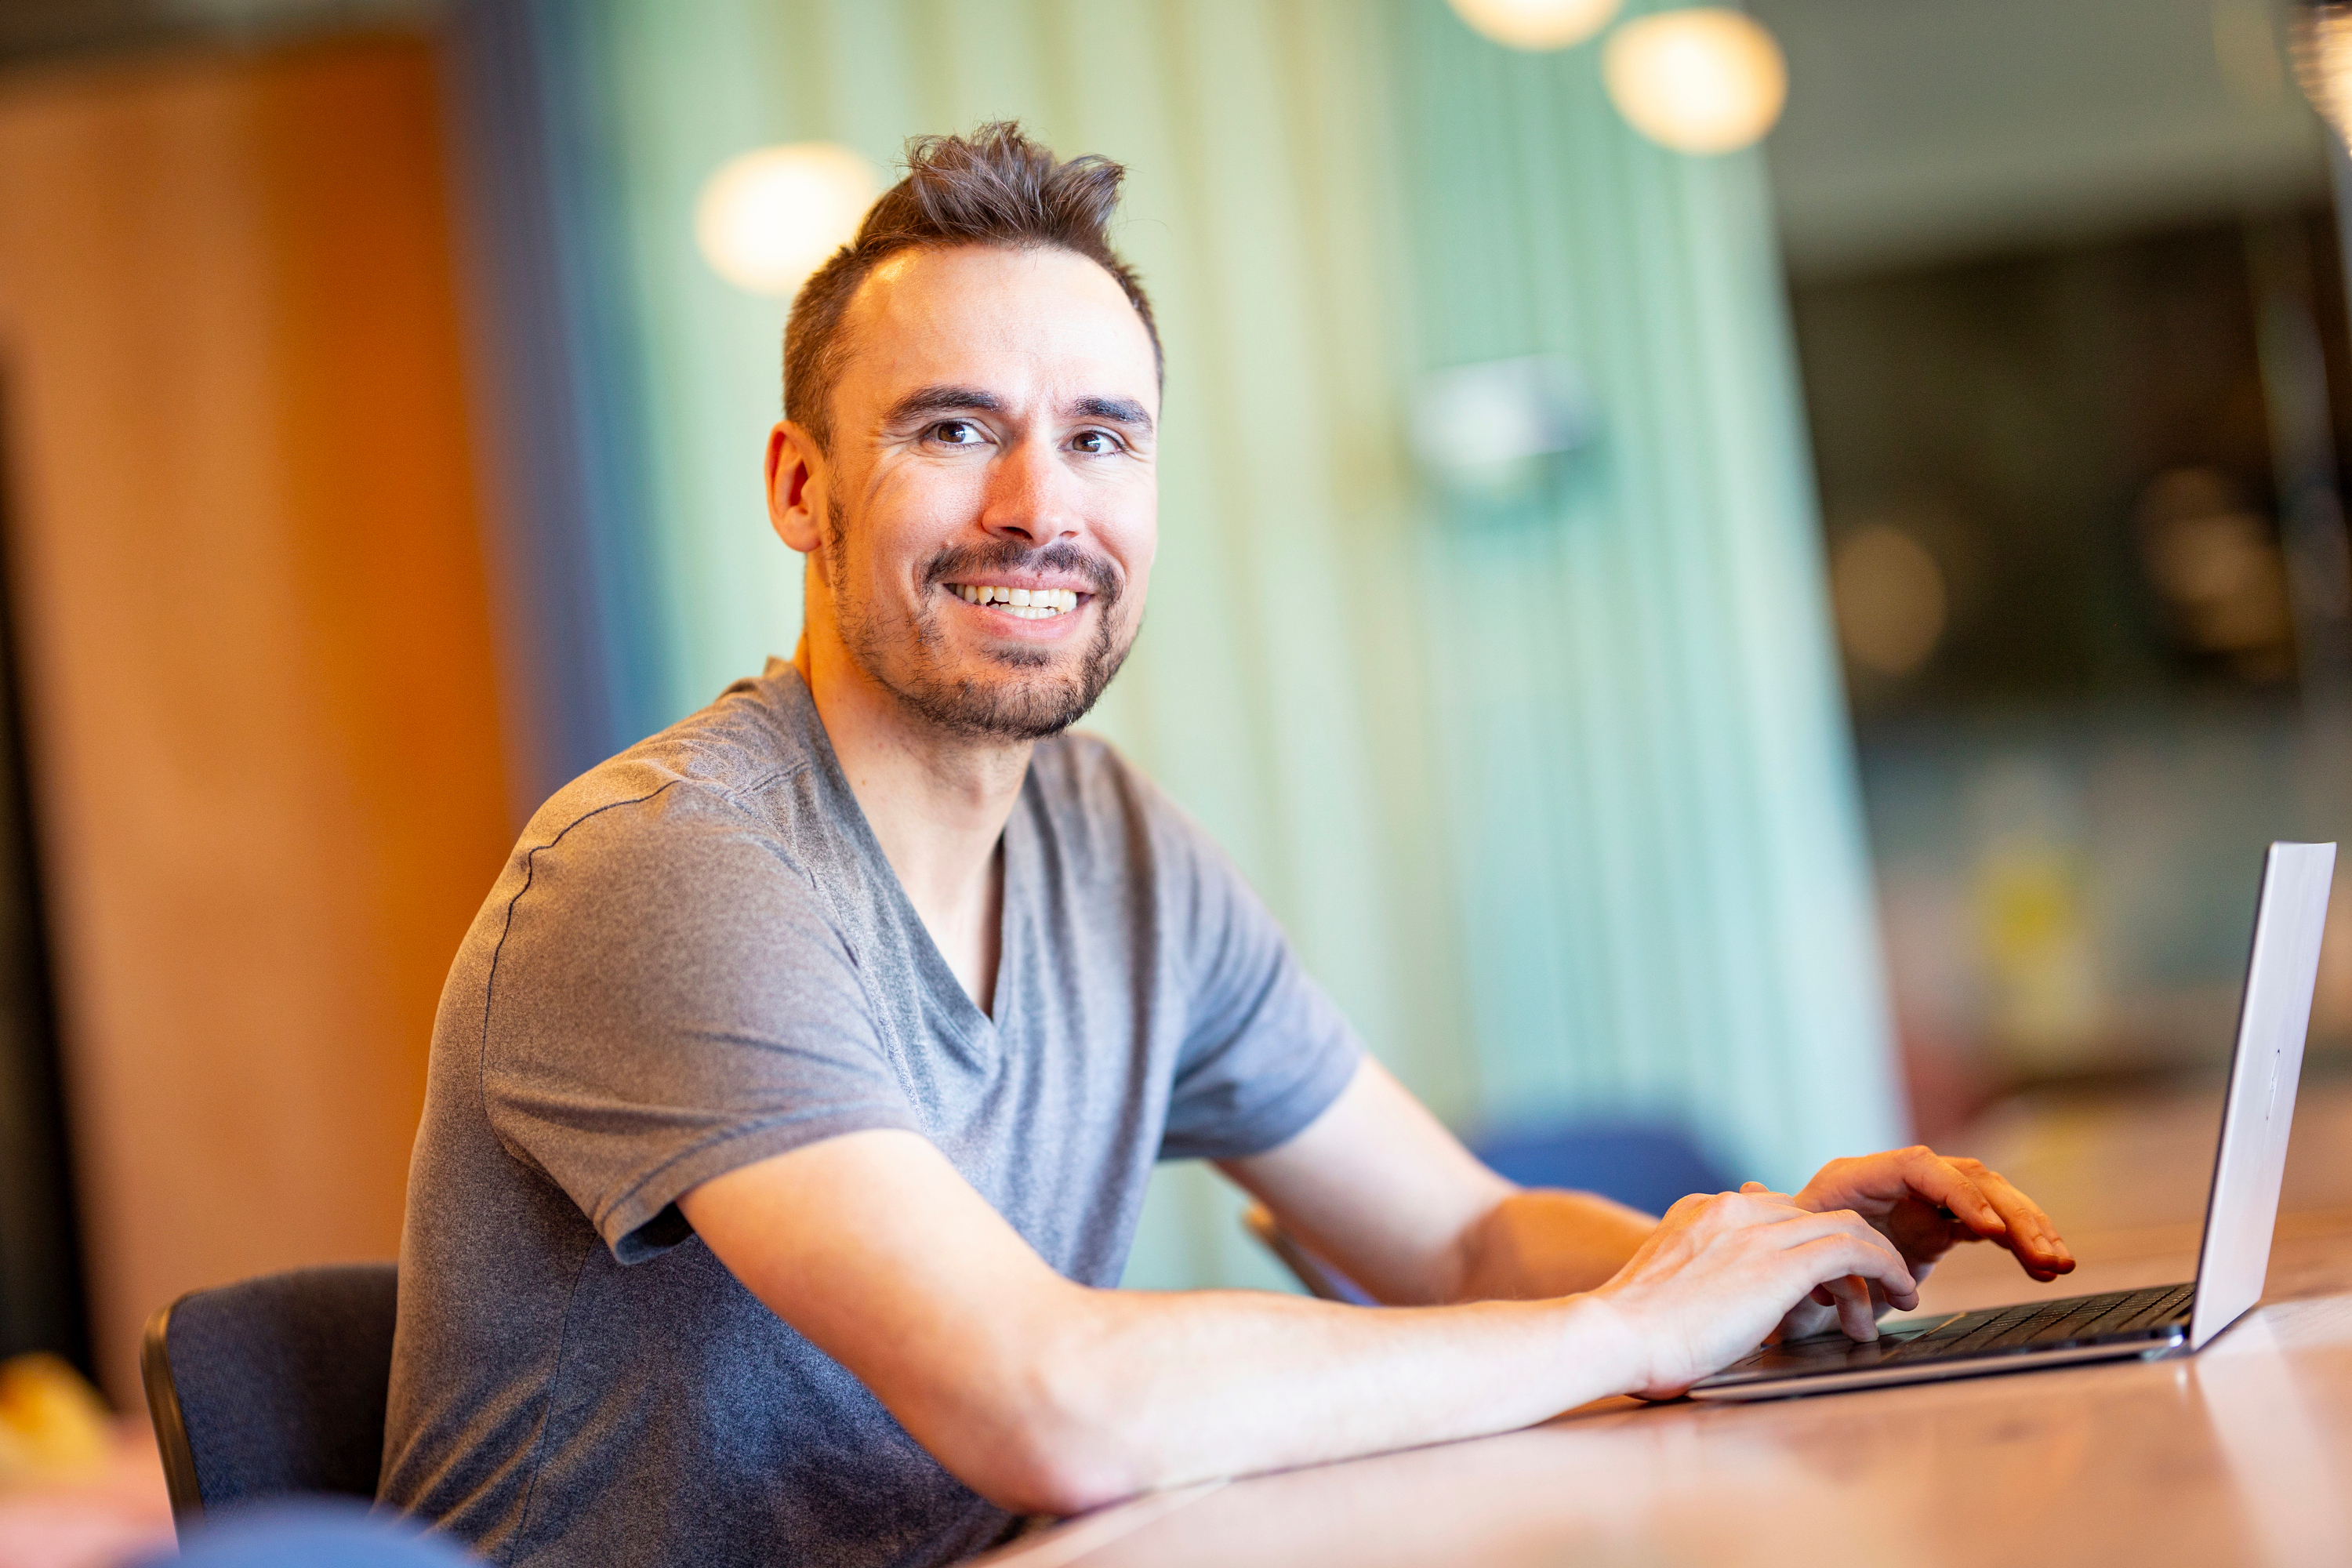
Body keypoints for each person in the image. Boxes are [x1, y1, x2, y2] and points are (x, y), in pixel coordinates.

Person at [379, 124, 2074, 1568]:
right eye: (953, 427)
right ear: (803, 490)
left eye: (1101, 436)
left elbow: (1464, 1241)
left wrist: (1756, 1261)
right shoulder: (667, 869)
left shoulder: (1115, 846)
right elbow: (1045, 1399)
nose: (1041, 504)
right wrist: (1626, 1329)